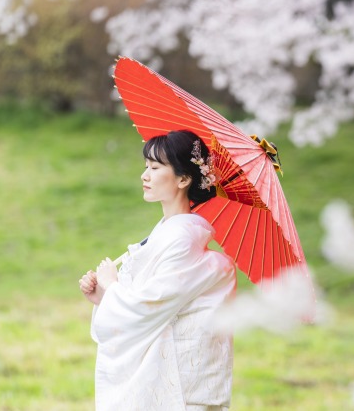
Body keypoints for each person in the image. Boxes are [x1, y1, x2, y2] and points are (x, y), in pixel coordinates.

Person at [79, 130, 236, 411]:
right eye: (145, 167)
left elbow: (149, 305)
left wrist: (112, 286)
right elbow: (156, 298)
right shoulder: (167, 231)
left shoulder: (182, 239)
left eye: (154, 167)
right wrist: (104, 299)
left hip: (181, 384)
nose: (144, 175)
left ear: (183, 179)